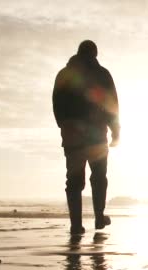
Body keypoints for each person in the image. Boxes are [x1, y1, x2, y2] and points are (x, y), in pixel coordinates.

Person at [53, 40, 120, 234]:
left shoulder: (64, 74)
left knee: (74, 181)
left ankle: (76, 225)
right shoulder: (102, 74)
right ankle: (99, 217)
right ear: (95, 54)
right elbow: (111, 104)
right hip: (96, 134)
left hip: (72, 134)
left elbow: (56, 103)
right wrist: (116, 130)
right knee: (99, 177)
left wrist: (64, 124)